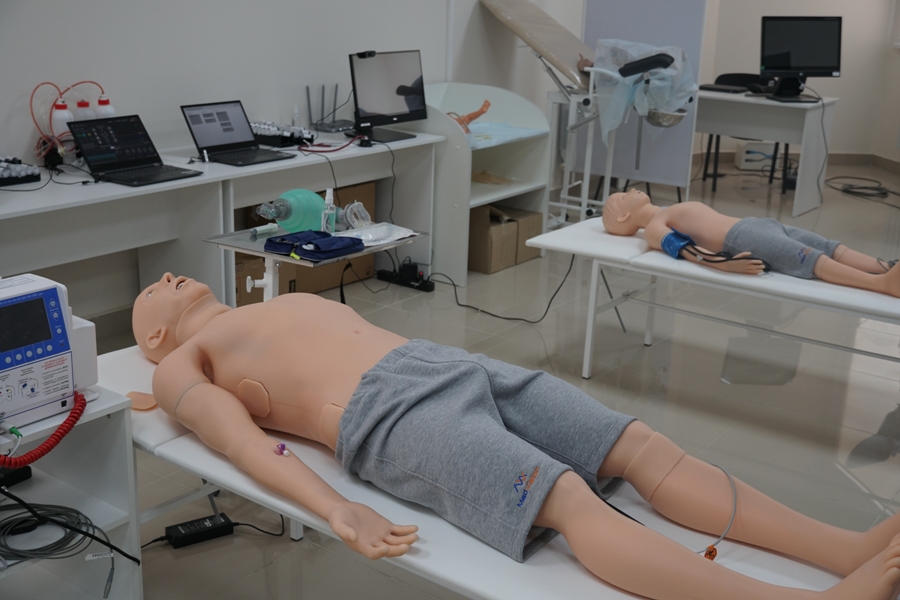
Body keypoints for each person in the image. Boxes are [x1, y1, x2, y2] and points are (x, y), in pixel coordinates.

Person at [130, 272, 900, 600]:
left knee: (640, 446)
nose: (169, 278)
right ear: (155, 337)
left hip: (443, 362)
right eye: (155, 289)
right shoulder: (180, 369)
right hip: (387, 416)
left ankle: (844, 549)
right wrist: (335, 506)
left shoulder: (273, 301)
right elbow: (242, 443)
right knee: (566, 501)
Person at [603, 188, 900, 297]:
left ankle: (884, 266)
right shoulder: (655, 229)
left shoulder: (666, 211)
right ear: (624, 216)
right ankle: (880, 284)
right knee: (808, 257)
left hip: (756, 225)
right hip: (742, 238)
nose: (631, 190)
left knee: (825, 244)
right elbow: (689, 252)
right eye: (624, 196)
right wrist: (725, 264)